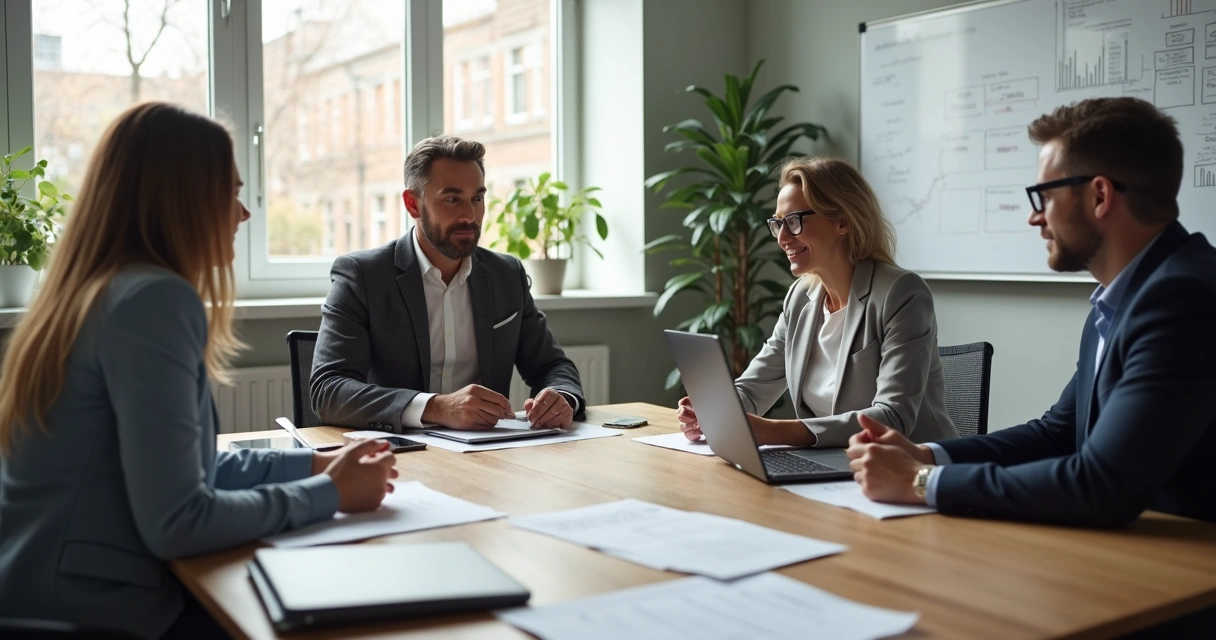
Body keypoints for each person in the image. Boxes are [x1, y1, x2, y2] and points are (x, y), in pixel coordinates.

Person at [0, 103, 398, 639]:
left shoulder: (93, 290)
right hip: (92, 612)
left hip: (41, 587)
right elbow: (178, 520)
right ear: (182, 200)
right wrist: (331, 495)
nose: (243, 213)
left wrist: (314, 466)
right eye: (231, 193)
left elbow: (190, 468)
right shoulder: (153, 300)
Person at [847, 97, 1216, 528]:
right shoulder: (1123, 297)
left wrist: (921, 481)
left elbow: (1100, 485)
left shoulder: (1181, 299)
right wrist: (925, 454)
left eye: (1043, 196)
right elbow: (1057, 434)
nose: (1033, 217)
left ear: (1100, 195)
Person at [676, 157, 958, 448]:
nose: (783, 237)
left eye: (794, 221)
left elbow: (892, 417)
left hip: (910, 469)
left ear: (842, 222)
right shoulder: (800, 297)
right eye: (777, 223)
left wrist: (772, 431)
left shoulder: (901, 292)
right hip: (833, 466)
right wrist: (713, 411)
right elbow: (753, 389)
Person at [311, 135, 584, 433]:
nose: (469, 215)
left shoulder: (505, 274)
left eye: (477, 198)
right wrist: (436, 407)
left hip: (488, 455)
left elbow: (552, 365)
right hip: (398, 456)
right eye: (452, 199)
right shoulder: (363, 276)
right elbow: (328, 391)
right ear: (413, 204)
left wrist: (563, 398)